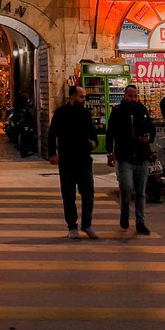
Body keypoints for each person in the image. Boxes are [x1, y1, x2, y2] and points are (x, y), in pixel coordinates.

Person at [47, 86, 99, 239]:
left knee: (88, 193)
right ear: (73, 96)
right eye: (81, 97)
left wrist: (94, 143)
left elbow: (93, 133)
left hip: (84, 160)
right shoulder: (61, 113)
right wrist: (52, 154)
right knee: (68, 195)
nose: (84, 100)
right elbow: (52, 134)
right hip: (67, 160)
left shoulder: (85, 114)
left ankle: (87, 224)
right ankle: (72, 227)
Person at [105, 84, 154, 235]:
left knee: (140, 192)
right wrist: (109, 153)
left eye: (135, 96)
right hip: (124, 157)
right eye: (130, 96)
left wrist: (148, 138)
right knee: (126, 188)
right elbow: (110, 133)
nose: (133, 98)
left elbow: (152, 129)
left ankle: (140, 222)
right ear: (125, 96)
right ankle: (124, 211)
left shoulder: (142, 110)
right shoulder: (118, 111)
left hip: (141, 157)